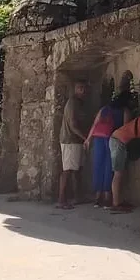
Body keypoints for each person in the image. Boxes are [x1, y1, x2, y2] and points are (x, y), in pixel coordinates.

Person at [84, 90, 132, 207]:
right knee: (109, 167)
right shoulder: (125, 111)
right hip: (113, 139)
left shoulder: (104, 109)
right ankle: (107, 198)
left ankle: (97, 198)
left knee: (98, 165)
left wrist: (88, 139)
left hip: (99, 138)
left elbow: (95, 124)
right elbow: (125, 128)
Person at [109, 113, 140, 212]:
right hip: (118, 142)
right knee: (118, 173)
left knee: (121, 172)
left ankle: (119, 201)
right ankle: (116, 204)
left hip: (118, 140)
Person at [58, 80, 88, 209]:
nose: (83, 91)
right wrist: (86, 138)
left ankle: (77, 197)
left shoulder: (79, 103)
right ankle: (61, 200)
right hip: (70, 140)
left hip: (76, 141)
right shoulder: (72, 103)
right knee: (68, 170)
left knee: (77, 169)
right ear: (75, 89)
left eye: (84, 88)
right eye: (80, 88)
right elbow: (73, 125)